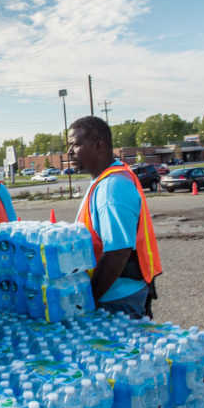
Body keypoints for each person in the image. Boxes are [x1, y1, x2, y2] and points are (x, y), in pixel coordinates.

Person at [67, 115, 162, 318]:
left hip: (118, 300)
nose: (69, 152)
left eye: (75, 145)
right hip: (115, 296)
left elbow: (117, 253)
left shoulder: (112, 188)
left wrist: (88, 300)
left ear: (99, 145)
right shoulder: (103, 181)